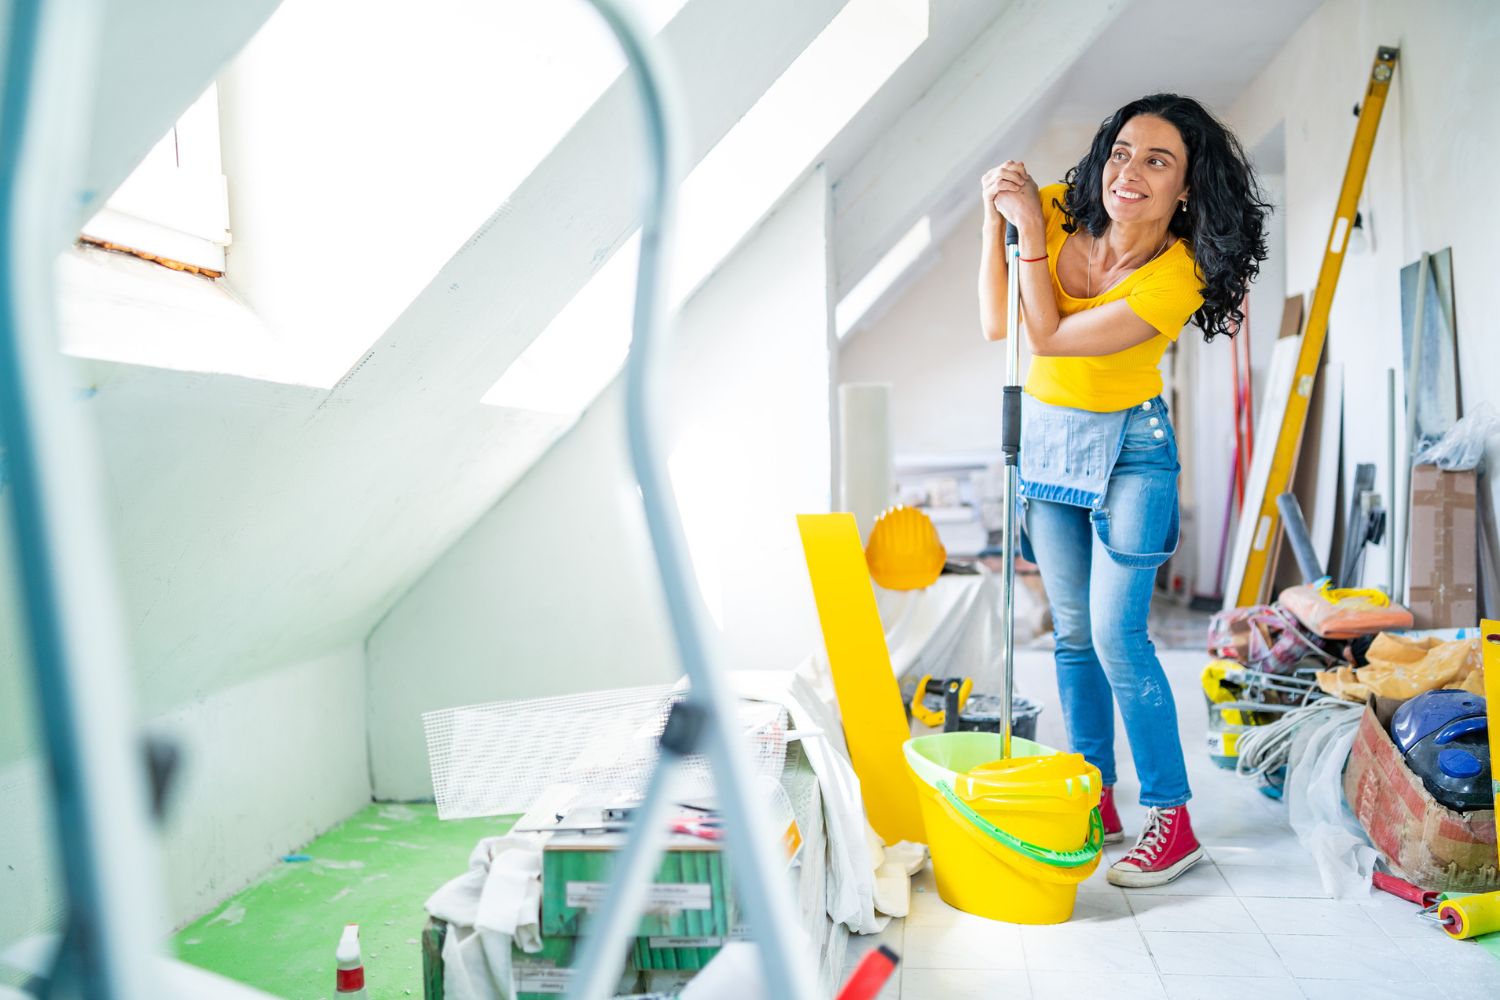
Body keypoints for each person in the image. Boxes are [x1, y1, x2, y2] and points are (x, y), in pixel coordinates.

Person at [977, 94, 1269, 887]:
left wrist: (1029, 238)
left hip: (1133, 451)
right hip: (1049, 441)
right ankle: (1095, 794)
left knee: (1117, 636)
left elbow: (1048, 336)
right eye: (1120, 151)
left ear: (1186, 189)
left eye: (1156, 160)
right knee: (1072, 633)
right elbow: (999, 323)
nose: (1127, 172)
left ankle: (1170, 821)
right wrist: (993, 220)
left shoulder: (1179, 275)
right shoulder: (1052, 211)